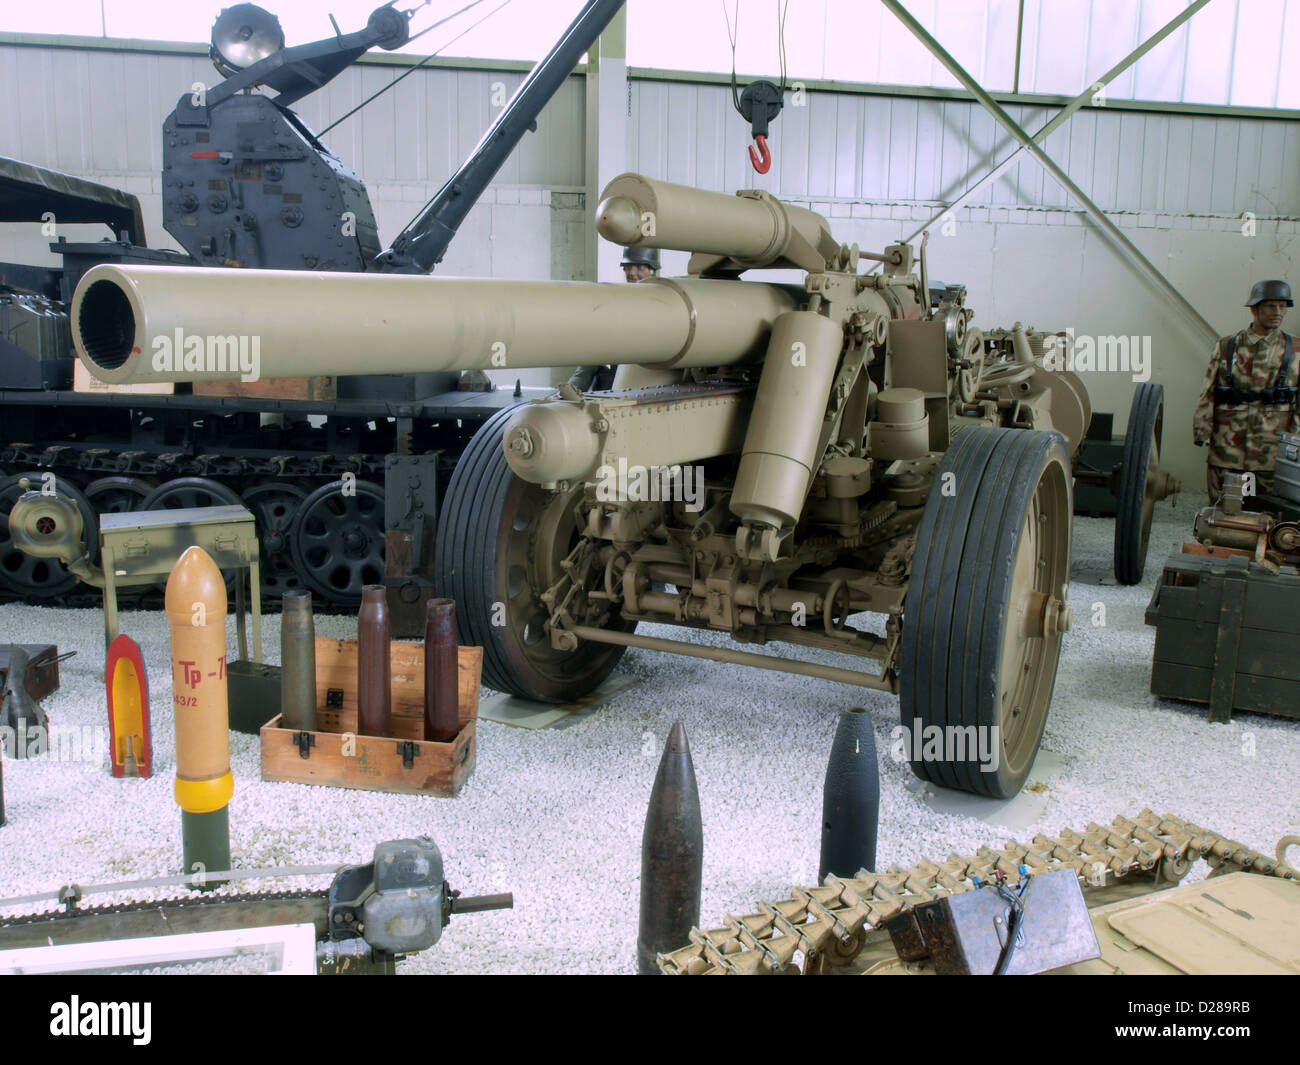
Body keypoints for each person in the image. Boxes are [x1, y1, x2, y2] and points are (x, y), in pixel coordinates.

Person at [1193, 280, 1298, 502]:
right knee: (1223, 509)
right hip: (1228, 448)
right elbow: (1209, 392)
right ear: (1254, 309)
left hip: (1272, 451)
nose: (1278, 312)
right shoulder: (1226, 346)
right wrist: (1202, 430)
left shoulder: (1296, 350)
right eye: (1270, 306)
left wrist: (1294, 442)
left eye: (1282, 306)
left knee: (1272, 513)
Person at [567, 247, 662, 391]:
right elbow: (596, 347)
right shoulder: (617, 301)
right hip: (618, 380)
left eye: (640, 267)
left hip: (653, 378)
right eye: (628, 267)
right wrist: (573, 388)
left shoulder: (665, 302)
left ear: (652, 270)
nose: (632, 273)